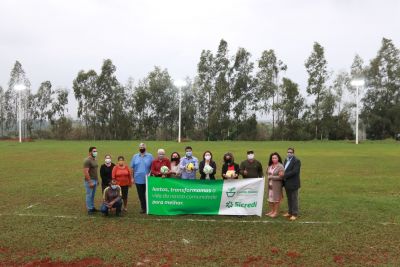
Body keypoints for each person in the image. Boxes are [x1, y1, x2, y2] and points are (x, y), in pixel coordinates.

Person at [130, 143, 153, 214]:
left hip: (147, 179)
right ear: (138, 148)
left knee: (148, 194)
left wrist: (150, 174)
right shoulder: (135, 156)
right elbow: (132, 168)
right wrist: (132, 178)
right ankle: (143, 208)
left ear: (146, 148)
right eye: (140, 147)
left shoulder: (150, 156)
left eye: (143, 147)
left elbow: (153, 167)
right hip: (138, 179)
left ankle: (149, 207)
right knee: (141, 194)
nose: (141, 148)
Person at [282, 147, 301, 221]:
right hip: (287, 183)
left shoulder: (297, 161)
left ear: (293, 153)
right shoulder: (286, 160)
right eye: (288, 152)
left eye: (291, 152)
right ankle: (290, 212)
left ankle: (295, 214)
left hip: (294, 183)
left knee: (294, 199)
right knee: (289, 198)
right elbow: (284, 169)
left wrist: (284, 175)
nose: (289, 153)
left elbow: (294, 172)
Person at [265, 152, 285, 218]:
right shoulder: (270, 165)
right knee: (270, 199)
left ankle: (276, 212)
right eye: (273, 158)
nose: (274, 159)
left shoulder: (280, 166)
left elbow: (281, 177)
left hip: (276, 186)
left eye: (275, 158)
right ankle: (272, 211)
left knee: (276, 200)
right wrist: (267, 169)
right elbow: (267, 173)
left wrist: (272, 177)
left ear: (278, 158)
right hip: (270, 185)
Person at [83, 146, 99, 215]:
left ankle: (92, 207)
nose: (95, 152)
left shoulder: (94, 159)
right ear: (90, 152)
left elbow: (95, 170)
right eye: (94, 151)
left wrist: (97, 180)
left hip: (95, 180)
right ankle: (89, 209)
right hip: (90, 181)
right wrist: (90, 182)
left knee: (92, 195)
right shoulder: (87, 160)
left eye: (96, 151)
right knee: (89, 195)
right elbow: (86, 172)